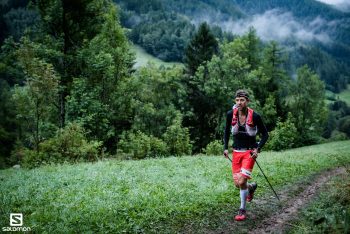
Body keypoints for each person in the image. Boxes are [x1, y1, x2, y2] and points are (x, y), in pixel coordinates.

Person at [223, 89, 269, 221]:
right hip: (236, 152)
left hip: (249, 152)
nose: (239, 102)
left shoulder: (255, 116)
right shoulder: (230, 114)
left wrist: (257, 149)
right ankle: (251, 187)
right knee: (238, 184)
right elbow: (226, 132)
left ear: (247, 101)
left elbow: (266, 135)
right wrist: (225, 148)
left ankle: (242, 209)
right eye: (237, 100)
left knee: (242, 180)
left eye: (242, 100)